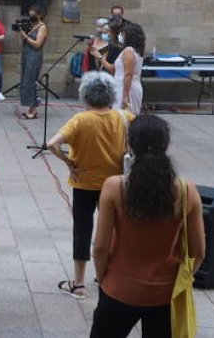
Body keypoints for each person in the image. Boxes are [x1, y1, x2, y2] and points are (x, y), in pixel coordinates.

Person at [90, 114, 205, 338]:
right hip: (165, 293)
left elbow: (100, 247)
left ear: (130, 146)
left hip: (119, 288)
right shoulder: (186, 191)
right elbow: (199, 252)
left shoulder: (115, 188)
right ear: (166, 145)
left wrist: (103, 277)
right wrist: (183, 280)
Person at [45, 71, 135, 300]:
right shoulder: (125, 117)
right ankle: (107, 274)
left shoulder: (80, 120)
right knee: (114, 229)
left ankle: (79, 283)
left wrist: (68, 162)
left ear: (85, 96)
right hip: (115, 184)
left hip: (84, 183)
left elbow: (52, 144)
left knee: (83, 229)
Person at [94, 20, 146, 115]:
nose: (121, 35)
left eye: (123, 33)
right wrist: (99, 56)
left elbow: (128, 75)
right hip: (120, 86)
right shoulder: (129, 50)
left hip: (127, 88)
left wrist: (125, 96)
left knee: (124, 118)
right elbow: (113, 68)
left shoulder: (129, 51)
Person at [15, 6, 48, 120]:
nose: (31, 17)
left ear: (39, 15)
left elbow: (38, 44)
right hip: (27, 56)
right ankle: (31, 108)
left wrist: (26, 37)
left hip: (34, 57)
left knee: (30, 81)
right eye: (30, 15)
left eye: (33, 15)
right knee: (25, 81)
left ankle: (33, 110)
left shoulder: (42, 27)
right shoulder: (32, 26)